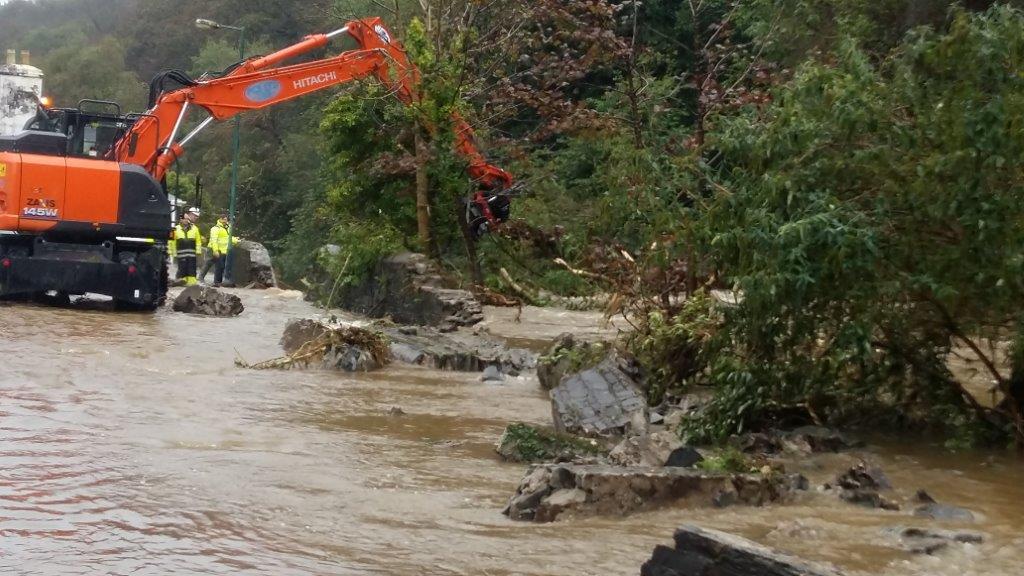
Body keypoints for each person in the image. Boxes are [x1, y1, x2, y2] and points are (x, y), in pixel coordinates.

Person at [169, 210, 203, 286]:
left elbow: (198, 241)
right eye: (185, 219)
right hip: (181, 254)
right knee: (182, 268)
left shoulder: (195, 228)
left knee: (192, 268)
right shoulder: (174, 229)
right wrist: (173, 253)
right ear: (180, 219)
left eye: (188, 219)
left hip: (192, 254)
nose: (187, 221)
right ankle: (181, 281)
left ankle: (192, 283)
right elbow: (171, 242)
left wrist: (198, 251)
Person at [206, 214, 237, 287]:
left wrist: (236, 240)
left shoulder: (228, 227)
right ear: (221, 219)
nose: (227, 221)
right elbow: (214, 240)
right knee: (219, 266)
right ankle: (217, 282)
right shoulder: (216, 228)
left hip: (225, 250)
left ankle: (222, 281)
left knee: (224, 266)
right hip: (219, 250)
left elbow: (229, 238)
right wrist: (215, 250)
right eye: (226, 219)